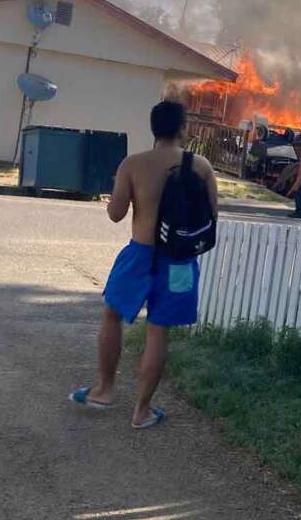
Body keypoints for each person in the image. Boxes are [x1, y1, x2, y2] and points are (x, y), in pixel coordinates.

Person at [68, 99, 218, 429]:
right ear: (183, 128)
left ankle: (103, 390)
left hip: (140, 253)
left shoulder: (133, 164)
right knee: (158, 330)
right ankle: (142, 411)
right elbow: (212, 217)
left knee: (112, 314)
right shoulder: (202, 167)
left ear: (153, 128)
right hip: (180, 261)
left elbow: (116, 213)